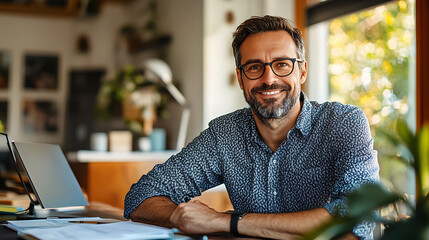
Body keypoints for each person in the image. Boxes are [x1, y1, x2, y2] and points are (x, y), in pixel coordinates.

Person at [124, 15, 379, 240]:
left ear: (302, 71)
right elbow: (142, 196)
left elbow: (358, 215)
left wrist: (226, 222)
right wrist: (185, 218)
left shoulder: (343, 123)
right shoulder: (225, 134)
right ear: (240, 78)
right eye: (254, 67)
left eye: (282, 64)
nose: (269, 79)